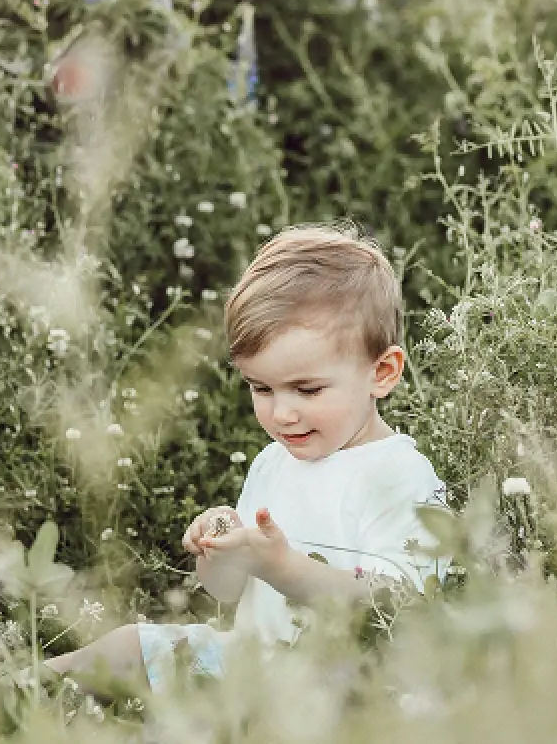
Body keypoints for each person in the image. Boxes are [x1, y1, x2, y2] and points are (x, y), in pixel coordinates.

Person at [44, 224, 449, 693]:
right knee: (126, 647)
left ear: (382, 372)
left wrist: (283, 567)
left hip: (350, 685)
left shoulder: (398, 475)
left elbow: (400, 605)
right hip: (255, 662)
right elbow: (227, 593)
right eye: (261, 388)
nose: (282, 413)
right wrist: (221, 550)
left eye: (308, 389)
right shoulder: (274, 463)